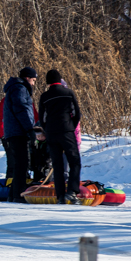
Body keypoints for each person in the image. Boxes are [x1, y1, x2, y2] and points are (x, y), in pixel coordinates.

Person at [38, 69, 81, 204]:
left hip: (51, 132)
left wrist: (47, 129)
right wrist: (70, 126)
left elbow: (41, 118)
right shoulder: (68, 93)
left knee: (57, 165)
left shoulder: (44, 96)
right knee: (74, 161)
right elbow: (77, 113)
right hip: (66, 131)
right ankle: (72, 192)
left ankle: (60, 196)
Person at [0, 67, 37, 202]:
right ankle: (19, 194)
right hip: (18, 132)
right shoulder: (19, 89)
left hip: (15, 131)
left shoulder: (16, 88)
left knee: (19, 164)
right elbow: (21, 110)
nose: (33, 84)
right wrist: (29, 129)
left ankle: (13, 194)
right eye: (33, 80)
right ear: (27, 78)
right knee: (22, 164)